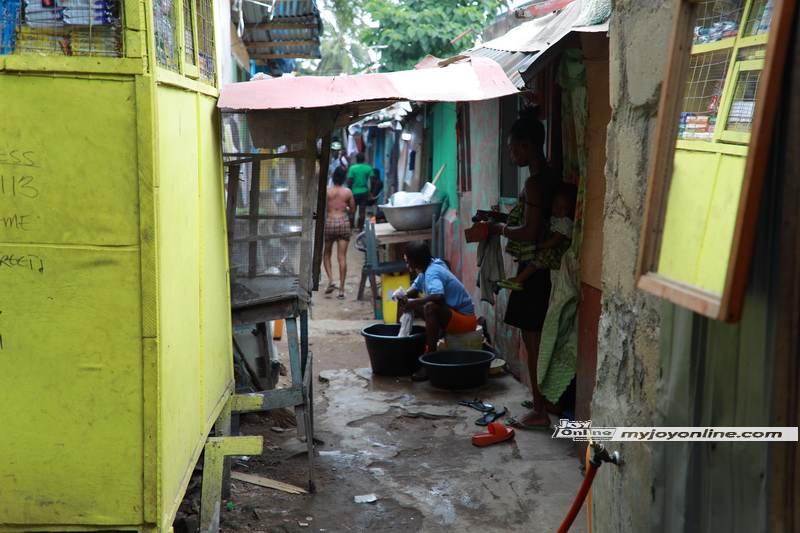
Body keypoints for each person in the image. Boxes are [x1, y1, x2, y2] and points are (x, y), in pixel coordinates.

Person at [486, 105, 560, 429]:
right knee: (539, 339)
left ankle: (540, 412)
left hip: (534, 271)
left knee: (533, 340)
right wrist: (500, 219)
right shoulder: (550, 176)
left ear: (526, 145)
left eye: (513, 147)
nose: (511, 154)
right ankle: (542, 400)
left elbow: (530, 232)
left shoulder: (533, 183)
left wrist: (497, 230)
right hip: (545, 269)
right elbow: (536, 222)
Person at [396, 241, 477, 381]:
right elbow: (415, 288)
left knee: (430, 307)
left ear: (416, 260)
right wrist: (404, 296)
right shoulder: (430, 265)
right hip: (453, 316)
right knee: (415, 303)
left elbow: (439, 296)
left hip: (466, 321)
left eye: (408, 259)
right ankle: (410, 343)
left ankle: (430, 360)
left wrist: (415, 301)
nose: (407, 262)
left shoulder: (433, 272)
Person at [498, 183, 577, 291]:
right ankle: (518, 278)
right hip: (553, 249)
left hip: (558, 252)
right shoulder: (555, 218)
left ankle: (519, 279)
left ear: (572, 210)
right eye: (556, 205)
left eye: (564, 207)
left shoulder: (565, 222)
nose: (558, 209)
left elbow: (555, 241)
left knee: (537, 258)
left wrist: (537, 246)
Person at [323, 166, 355, 300]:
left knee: (327, 253)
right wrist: (345, 206)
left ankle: (331, 280)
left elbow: (322, 207)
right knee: (342, 257)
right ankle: (341, 290)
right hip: (343, 223)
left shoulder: (327, 191)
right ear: (344, 178)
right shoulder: (347, 192)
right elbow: (352, 211)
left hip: (330, 222)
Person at [346, 152, 373, 231]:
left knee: (352, 211)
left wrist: (349, 190)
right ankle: (360, 229)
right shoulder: (368, 168)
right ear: (364, 159)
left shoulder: (352, 168)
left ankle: (350, 229)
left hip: (354, 192)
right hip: (364, 192)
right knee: (362, 211)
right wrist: (371, 191)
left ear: (356, 159)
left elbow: (349, 180)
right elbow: (372, 180)